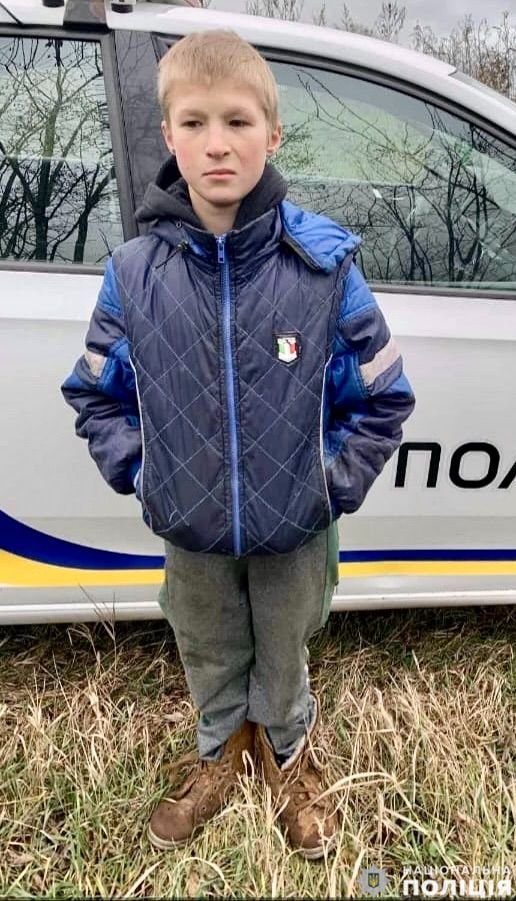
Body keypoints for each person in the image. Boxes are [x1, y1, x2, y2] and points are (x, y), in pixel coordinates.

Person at [61, 29, 415, 859]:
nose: (216, 143)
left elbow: (382, 396)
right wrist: (146, 474)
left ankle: (288, 752)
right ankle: (221, 748)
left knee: (284, 645)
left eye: (237, 121)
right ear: (169, 134)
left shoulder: (324, 267)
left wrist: (328, 484)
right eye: (194, 122)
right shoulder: (133, 273)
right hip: (189, 526)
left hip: (296, 525)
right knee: (208, 643)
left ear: (273, 134)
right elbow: (94, 393)